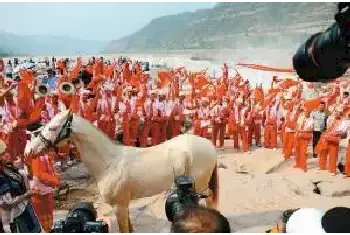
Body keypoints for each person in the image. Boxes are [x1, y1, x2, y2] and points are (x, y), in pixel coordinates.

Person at [0, 154, 42, 232]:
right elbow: (8, 203)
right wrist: (26, 195)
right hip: (15, 215)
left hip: (26, 209)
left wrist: (29, 166)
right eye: (2, 154)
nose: (7, 155)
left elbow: (28, 176)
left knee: (36, 229)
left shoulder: (9, 168)